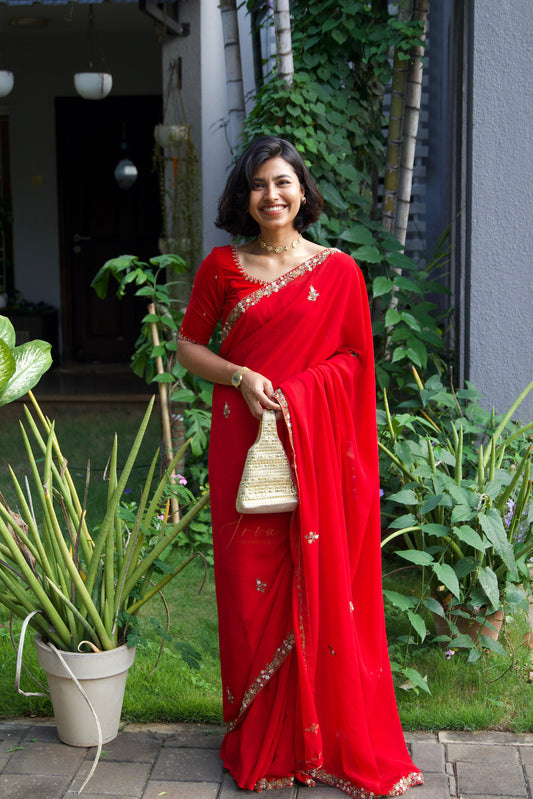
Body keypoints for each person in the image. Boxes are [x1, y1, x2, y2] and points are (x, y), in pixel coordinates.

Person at [176, 136, 423, 796]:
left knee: (320, 582)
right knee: (249, 595)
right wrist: (239, 374)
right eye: (258, 184)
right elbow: (188, 347)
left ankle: (322, 740)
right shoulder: (221, 268)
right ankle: (266, 742)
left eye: (282, 182)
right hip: (244, 450)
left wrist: (300, 394)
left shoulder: (337, 271)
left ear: (304, 191)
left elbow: (352, 363)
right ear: (244, 196)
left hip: (313, 453)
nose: (272, 195)